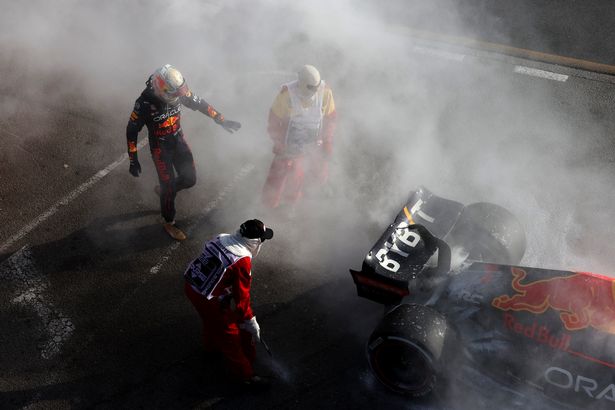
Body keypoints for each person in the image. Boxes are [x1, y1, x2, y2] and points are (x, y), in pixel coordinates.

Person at [126, 64, 241, 240]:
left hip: (178, 140)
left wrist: (221, 119)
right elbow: (132, 130)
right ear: (161, 88)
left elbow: (199, 103)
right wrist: (133, 159)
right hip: (160, 147)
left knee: (190, 179)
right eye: (174, 93)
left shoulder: (177, 92)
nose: (178, 97)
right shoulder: (143, 104)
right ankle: (168, 220)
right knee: (168, 187)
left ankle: (166, 191)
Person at [183, 219, 274, 389]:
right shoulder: (242, 260)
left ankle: (211, 349)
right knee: (230, 333)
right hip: (206, 297)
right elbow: (242, 299)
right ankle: (245, 377)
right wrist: (250, 322)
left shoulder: (221, 237)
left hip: (192, 285)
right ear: (254, 242)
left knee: (211, 320)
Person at [262, 64, 337, 211]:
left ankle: (298, 203)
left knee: (314, 173)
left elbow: (330, 118)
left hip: (314, 143)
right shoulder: (286, 94)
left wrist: (327, 140)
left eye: (315, 88)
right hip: (289, 145)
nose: (314, 91)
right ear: (301, 83)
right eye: (310, 88)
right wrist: (278, 142)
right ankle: (268, 207)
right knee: (278, 176)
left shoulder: (325, 92)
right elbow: (273, 120)